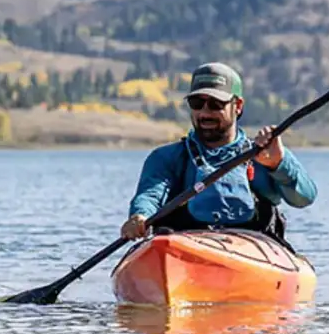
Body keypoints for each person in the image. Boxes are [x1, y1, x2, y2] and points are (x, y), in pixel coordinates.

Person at [121, 62, 317, 246]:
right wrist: (140, 216)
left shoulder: (266, 153)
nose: (205, 112)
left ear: (238, 106)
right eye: (197, 103)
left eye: (216, 104)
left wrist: (278, 165)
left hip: (253, 255)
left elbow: (304, 198)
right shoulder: (167, 158)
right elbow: (150, 195)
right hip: (183, 253)